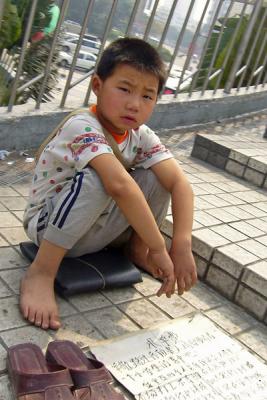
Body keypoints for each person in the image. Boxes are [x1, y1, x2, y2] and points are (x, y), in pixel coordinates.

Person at [21, 38, 197, 330]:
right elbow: (119, 186)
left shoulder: (139, 134)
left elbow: (179, 183)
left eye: (147, 96)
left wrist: (181, 244)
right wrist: (159, 248)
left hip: (92, 230)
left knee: (157, 177)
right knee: (104, 178)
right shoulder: (81, 125)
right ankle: (41, 272)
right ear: (97, 86)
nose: (134, 104)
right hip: (47, 227)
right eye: (125, 89)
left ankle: (135, 251)